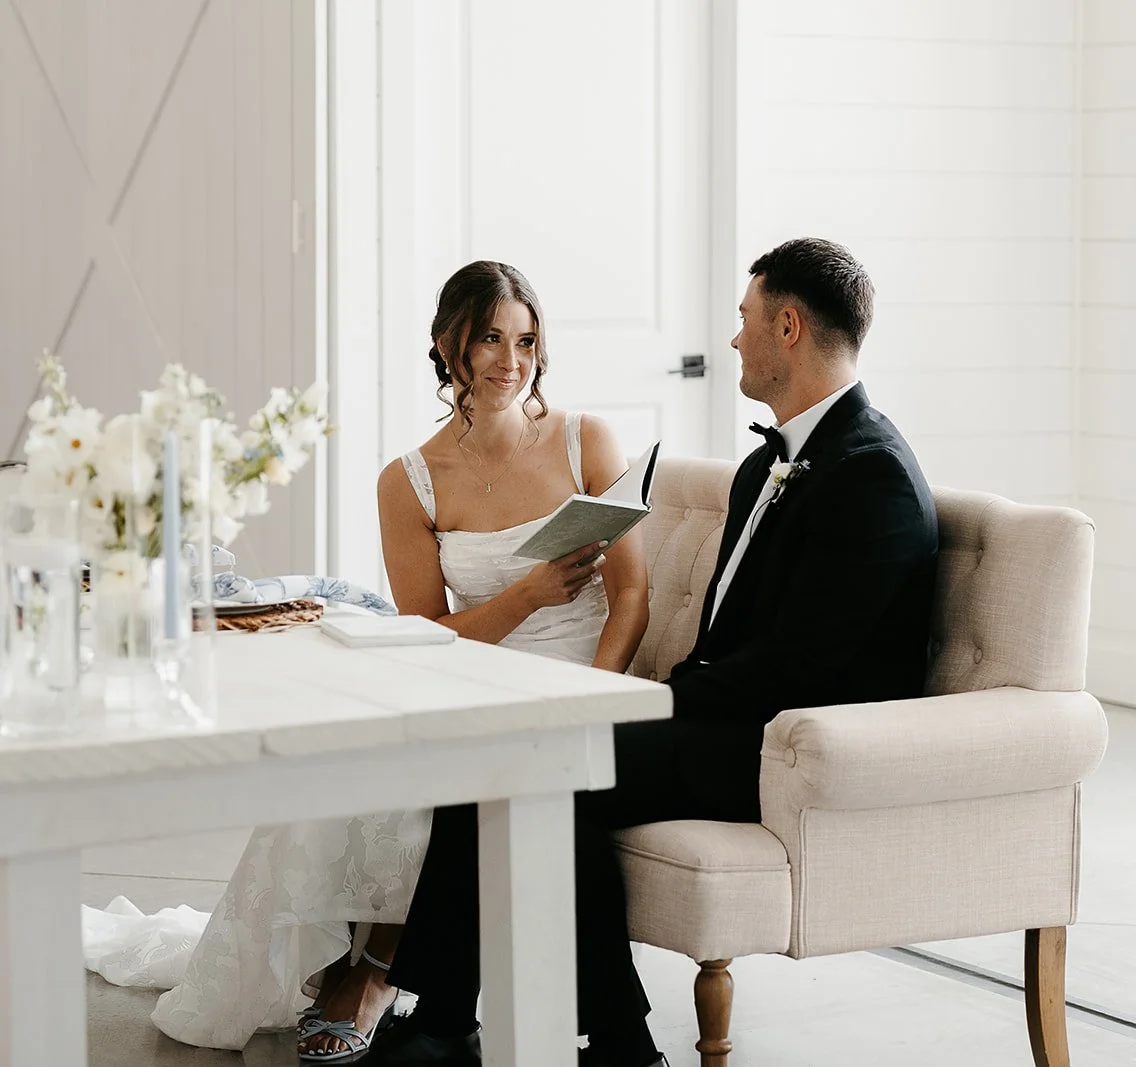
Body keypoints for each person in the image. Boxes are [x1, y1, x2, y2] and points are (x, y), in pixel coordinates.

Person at [366, 238, 939, 1067]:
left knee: (531, 759)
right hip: (725, 715)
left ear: (787, 327)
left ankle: (455, 1017)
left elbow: (802, 669)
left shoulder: (871, 473)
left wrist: (660, 698)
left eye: (744, 321)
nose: (734, 340)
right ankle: (593, 1037)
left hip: (784, 748)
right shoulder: (768, 464)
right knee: (520, 763)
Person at [147, 260, 650, 1059]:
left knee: (499, 775)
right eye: (489, 337)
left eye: (525, 340)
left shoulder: (587, 440)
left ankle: (428, 1002)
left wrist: (592, 697)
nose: (509, 361)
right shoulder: (409, 480)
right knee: (386, 761)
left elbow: (632, 598)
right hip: (472, 679)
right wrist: (526, 594)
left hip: (583, 686)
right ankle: (431, 999)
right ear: (449, 345)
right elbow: (429, 630)